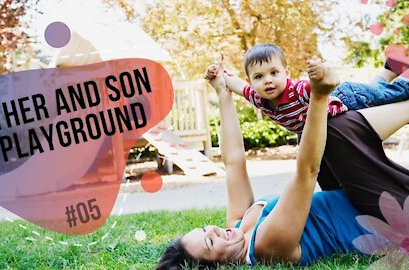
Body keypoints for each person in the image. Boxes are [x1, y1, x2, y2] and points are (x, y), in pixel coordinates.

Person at [156, 61, 409, 269]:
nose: (215, 230)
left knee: (317, 128)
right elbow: (306, 173)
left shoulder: (237, 227)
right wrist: (319, 96)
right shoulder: (266, 247)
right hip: (390, 216)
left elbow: (233, 162)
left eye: (204, 229)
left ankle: (389, 76)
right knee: (329, 129)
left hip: (360, 197)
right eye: (210, 243)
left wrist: (223, 93)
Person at [204, 43, 409, 134]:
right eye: (259, 76)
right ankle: (390, 67)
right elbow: (238, 85)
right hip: (346, 102)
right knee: (376, 90)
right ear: (251, 80)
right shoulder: (259, 97)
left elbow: (318, 87)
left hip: (348, 97)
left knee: (390, 95)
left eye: (274, 73)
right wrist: (218, 74)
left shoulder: (297, 90)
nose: (267, 80)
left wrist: (319, 74)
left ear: (287, 72)